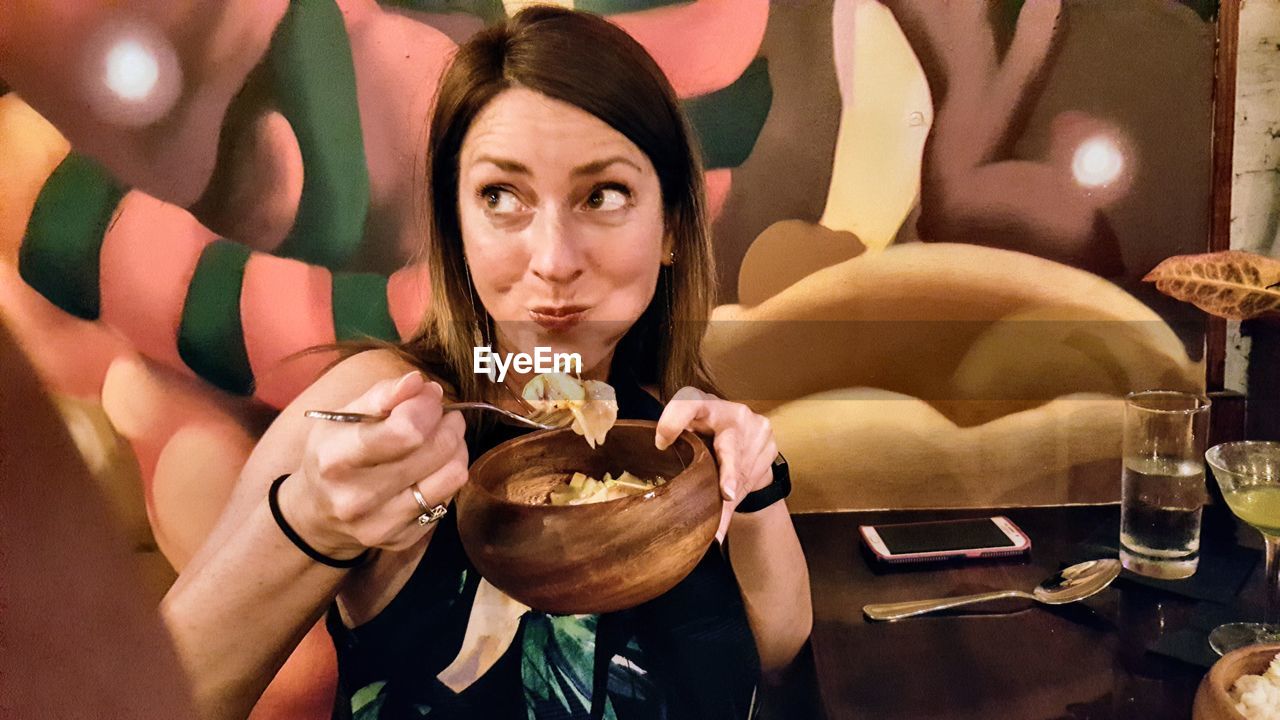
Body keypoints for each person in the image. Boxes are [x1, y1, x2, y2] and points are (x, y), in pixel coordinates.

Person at [161, 7, 812, 719]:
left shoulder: (670, 423)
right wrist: (315, 519)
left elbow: (778, 647)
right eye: (501, 197)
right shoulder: (385, 409)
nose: (553, 261)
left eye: (604, 195)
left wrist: (753, 493)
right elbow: (152, 695)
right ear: (457, 226)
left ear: (672, 231)